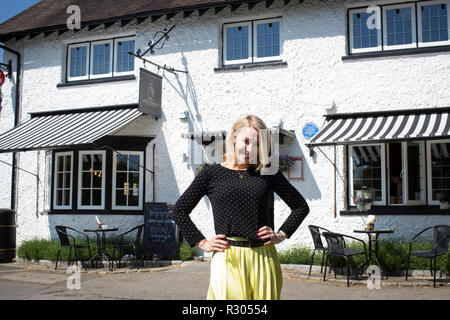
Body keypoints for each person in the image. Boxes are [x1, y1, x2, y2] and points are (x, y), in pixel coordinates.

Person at [172, 114, 310, 300]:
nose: (250, 149)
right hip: (227, 257)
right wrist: (201, 242)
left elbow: (300, 206)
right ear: (234, 138)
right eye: (246, 141)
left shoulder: (268, 172)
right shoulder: (211, 174)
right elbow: (179, 211)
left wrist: (281, 235)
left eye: (258, 144)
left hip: (264, 258)